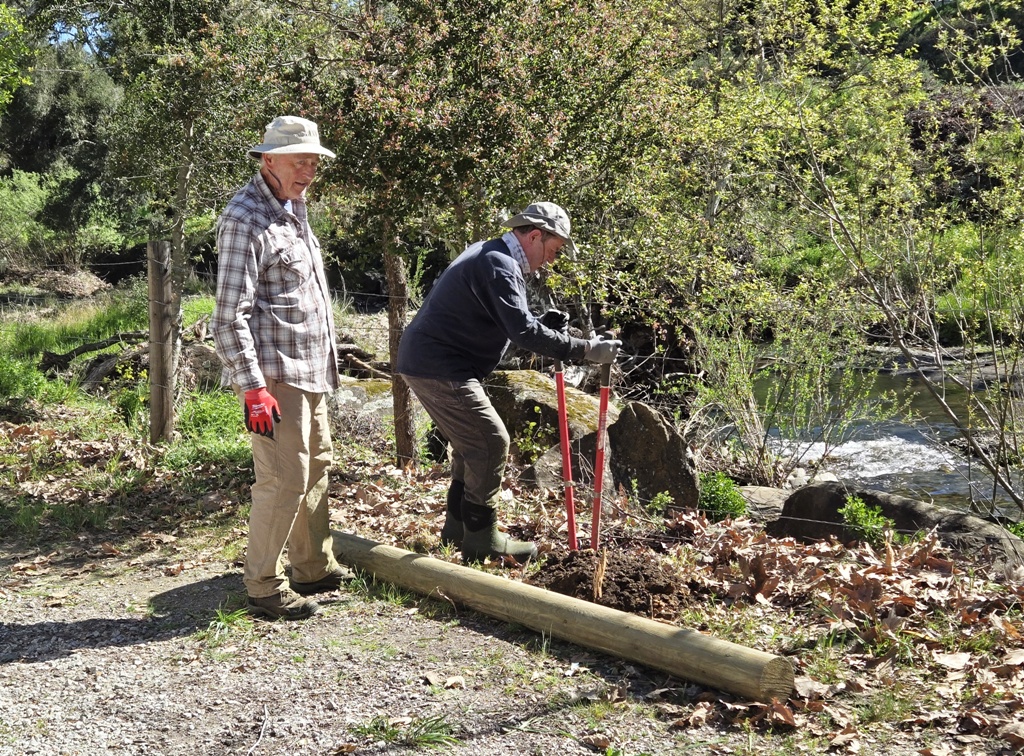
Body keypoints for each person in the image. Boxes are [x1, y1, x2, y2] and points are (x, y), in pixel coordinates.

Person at [396, 202, 621, 562]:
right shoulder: (499, 264)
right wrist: (586, 350)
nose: (551, 260)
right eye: (553, 250)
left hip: (431, 361)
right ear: (534, 236)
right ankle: (481, 538)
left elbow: (510, 323)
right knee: (491, 441)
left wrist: (543, 326)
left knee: (471, 446)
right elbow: (523, 332)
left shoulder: (491, 254)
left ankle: (457, 529)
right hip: (440, 365)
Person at [211, 115, 349, 620]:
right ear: (268, 159)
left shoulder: (293, 207)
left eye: (314, 161)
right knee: (284, 478)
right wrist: (253, 388)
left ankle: (313, 567)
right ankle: (264, 587)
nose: (309, 170)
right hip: (273, 378)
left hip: (309, 369)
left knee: (316, 467)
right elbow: (228, 317)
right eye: (299, 161)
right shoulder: (245, 218)